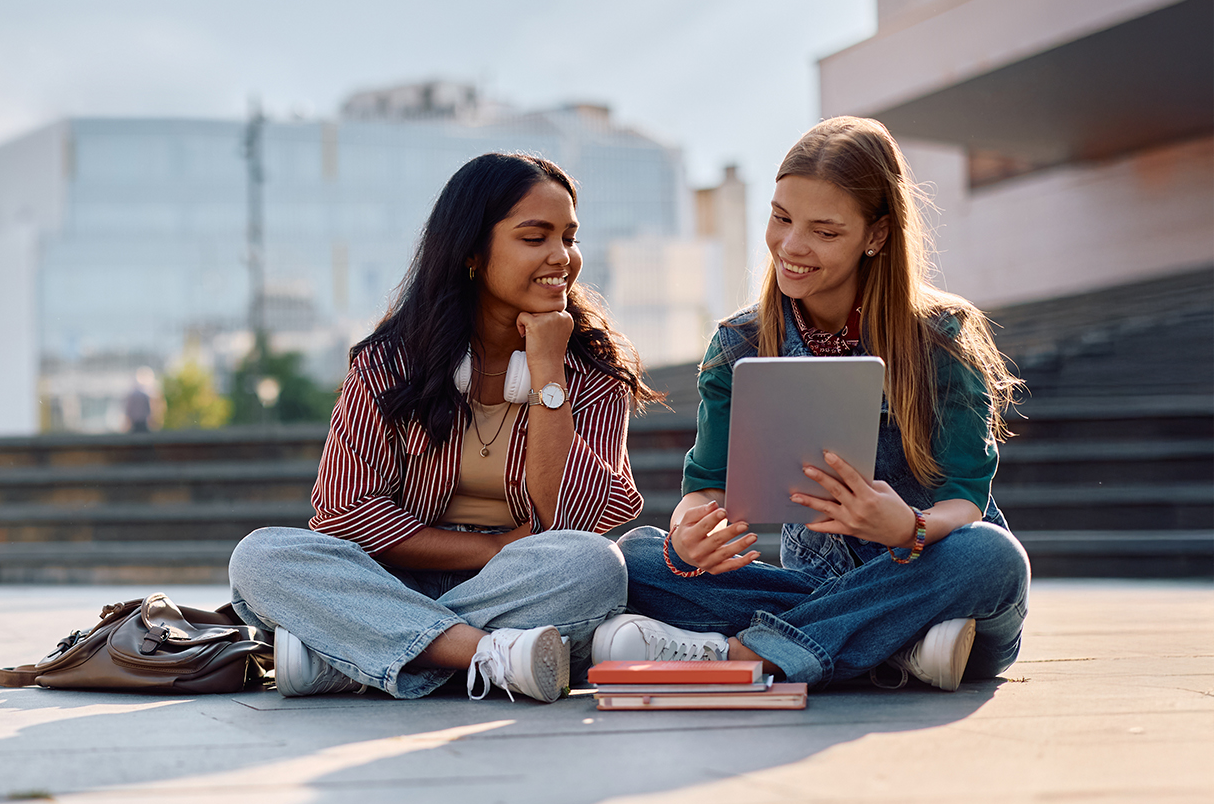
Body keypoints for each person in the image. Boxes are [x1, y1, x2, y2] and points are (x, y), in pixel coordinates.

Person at [602, 117, 1029, 692]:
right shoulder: (739, 345)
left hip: (935, 574)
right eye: (781, 218)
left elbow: (966, 499)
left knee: (991, 557)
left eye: (824, 232)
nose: (791, 246)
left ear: (876, 236)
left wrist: (909, 528)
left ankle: (743, 654)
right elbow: (703, 485)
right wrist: (686, 532)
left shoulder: (941, 339)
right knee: (642, 560)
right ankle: (897, 649)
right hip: (823, 589)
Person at [228, 152, 659, 702]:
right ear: (473, 252)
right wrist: (490, 548)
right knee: (260, 556)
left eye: (569, 237)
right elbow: (343, 512)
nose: (563, 257)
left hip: (523, 584)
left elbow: (572, 521)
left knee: (594, 566)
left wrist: (549, 373)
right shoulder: (390, 363)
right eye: (535, 238)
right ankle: (485, 654)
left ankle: (352, 652)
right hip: (394, 577)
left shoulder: (594, 372)